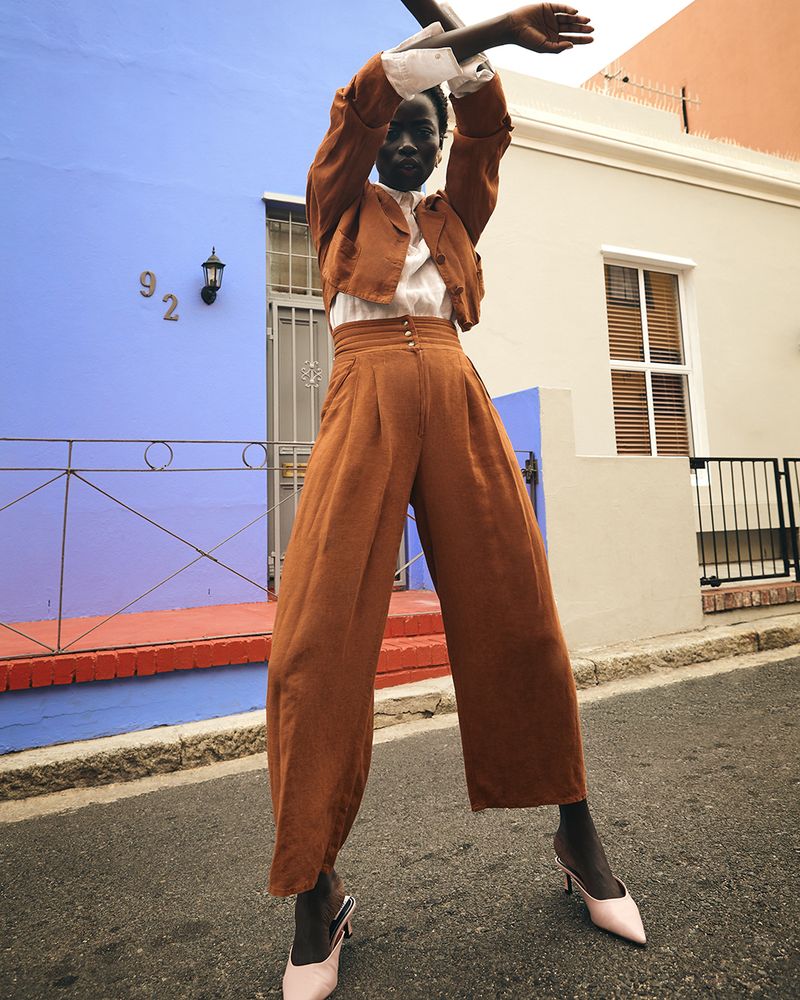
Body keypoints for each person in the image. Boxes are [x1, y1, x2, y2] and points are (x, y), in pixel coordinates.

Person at [269, 4, 647, 996]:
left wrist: (487, 40)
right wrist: (471, 29)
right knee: (313, 639)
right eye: (395, 126)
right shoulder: (336, 201)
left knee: (521, 615)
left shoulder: (453, 214)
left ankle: (575, 833)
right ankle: (315, 887)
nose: (401, 139)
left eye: (419, 132)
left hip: (457, 398)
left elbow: (488, 132)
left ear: (434, 150)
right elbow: (357, 106)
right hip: (362, 404)